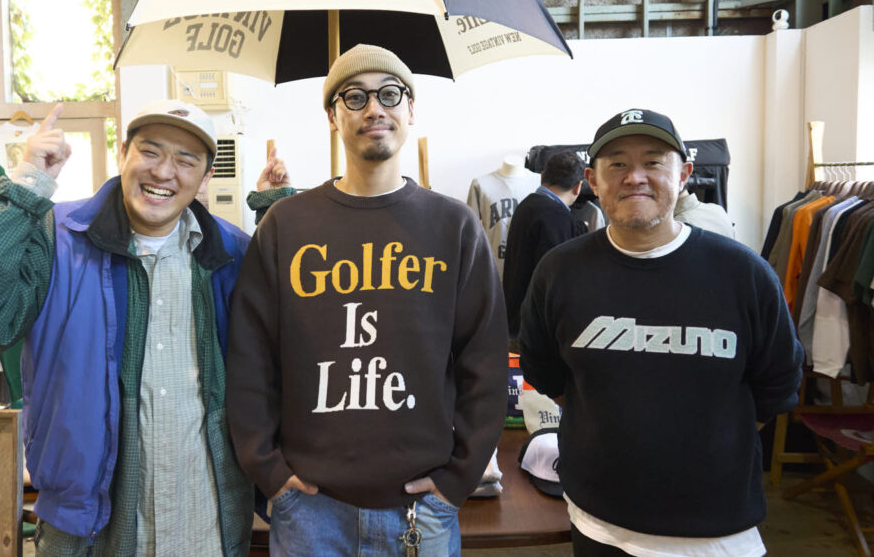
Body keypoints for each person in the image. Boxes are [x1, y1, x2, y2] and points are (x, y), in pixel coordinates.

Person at [0, 100, 294, 556]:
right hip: (85, 520)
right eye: (150, 152)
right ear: (122, 154)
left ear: (206, 177)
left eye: (186, 160)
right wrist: (26, 185)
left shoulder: (230, 253)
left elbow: (291, 331)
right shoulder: (57, 237)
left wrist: (275, 208)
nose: (164, 172)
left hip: (206, 513)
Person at [225, 44, 508, 556]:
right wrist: (268, 471)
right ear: (333, 116)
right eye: (354, 97)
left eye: (389, 94)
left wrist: (458, 479)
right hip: (308, 511)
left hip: (421, 510)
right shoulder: (286, 225)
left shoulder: (454, 226)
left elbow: (484, 363)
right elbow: (250, 356)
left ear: (410, 110)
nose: (374, 108)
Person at [517, 108, 803, 556]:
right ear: (593, 181)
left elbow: (780, 381)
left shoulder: (743, 273)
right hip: (598, 521)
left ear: (684, 174)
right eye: (617, 164)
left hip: (715, 532)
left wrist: (706, 444)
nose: (635, 177)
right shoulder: (559, 271)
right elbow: (542, 367)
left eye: (653, 162)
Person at [502, 151, 586, 348]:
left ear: (542, 176)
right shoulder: (556, 217)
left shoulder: (526, 205)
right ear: (578, 187)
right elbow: (557, 282)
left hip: (515, 320)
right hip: (536, 332)